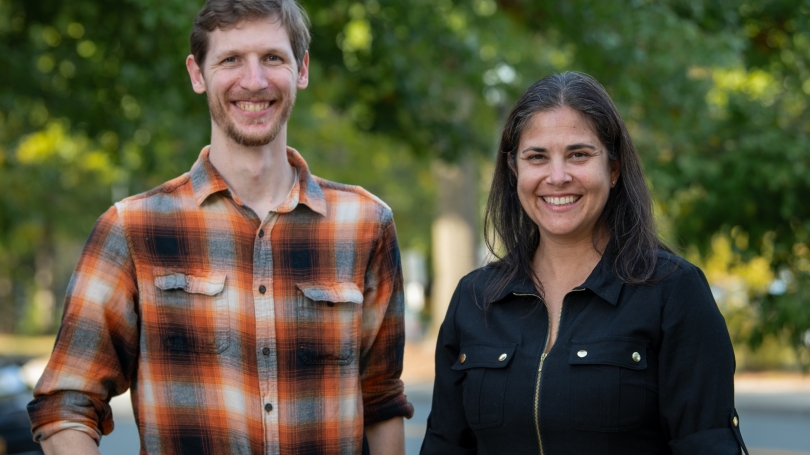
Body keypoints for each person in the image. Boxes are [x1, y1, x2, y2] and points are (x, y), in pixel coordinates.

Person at [27, 1, 413, 454]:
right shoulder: (132, 228)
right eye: (231, 59)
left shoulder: (366, 224)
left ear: (302, 69)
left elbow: (381, 399)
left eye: (273, 58)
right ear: (197, 74)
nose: (254, 81)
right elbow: (66, 403)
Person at [420, 72, 748, 454]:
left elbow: (707, 444)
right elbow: (444, 446)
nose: (557, 177)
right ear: (515, 171)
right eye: (537, 157)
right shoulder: (475, 299)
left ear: (613, 167)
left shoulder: (673, 290)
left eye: (579, 154)